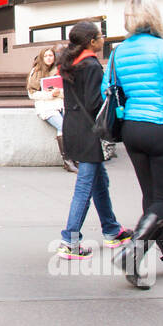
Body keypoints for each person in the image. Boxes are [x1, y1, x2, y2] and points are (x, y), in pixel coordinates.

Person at [104, 0, 163, 288]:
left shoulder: (119, 52)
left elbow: (109, 88)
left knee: (152, 196)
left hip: (133, 129)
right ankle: (134, 250)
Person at [55, 22, 133, 258]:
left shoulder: (69, 63)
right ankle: (70, 240)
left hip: (73, 126)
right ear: (91, 41)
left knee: (99, 181)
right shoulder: (91, 66)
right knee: (85, 186)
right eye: (101, 36)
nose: (103, 40)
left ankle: (111, 230)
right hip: (88, 131)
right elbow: (94, 104)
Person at [28, 45, 75, 173]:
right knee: (62, 126)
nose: (49, 58)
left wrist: (57, 93)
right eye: (46, 56)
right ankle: (67, 161)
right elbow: (32, 94)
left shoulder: (59, 71)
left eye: (51, 55)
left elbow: (68, 91)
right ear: (42, 57)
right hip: (46, 107)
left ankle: (73, 159)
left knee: (70, 126)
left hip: (60, 104)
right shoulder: (36, 72)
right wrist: (49, 94)